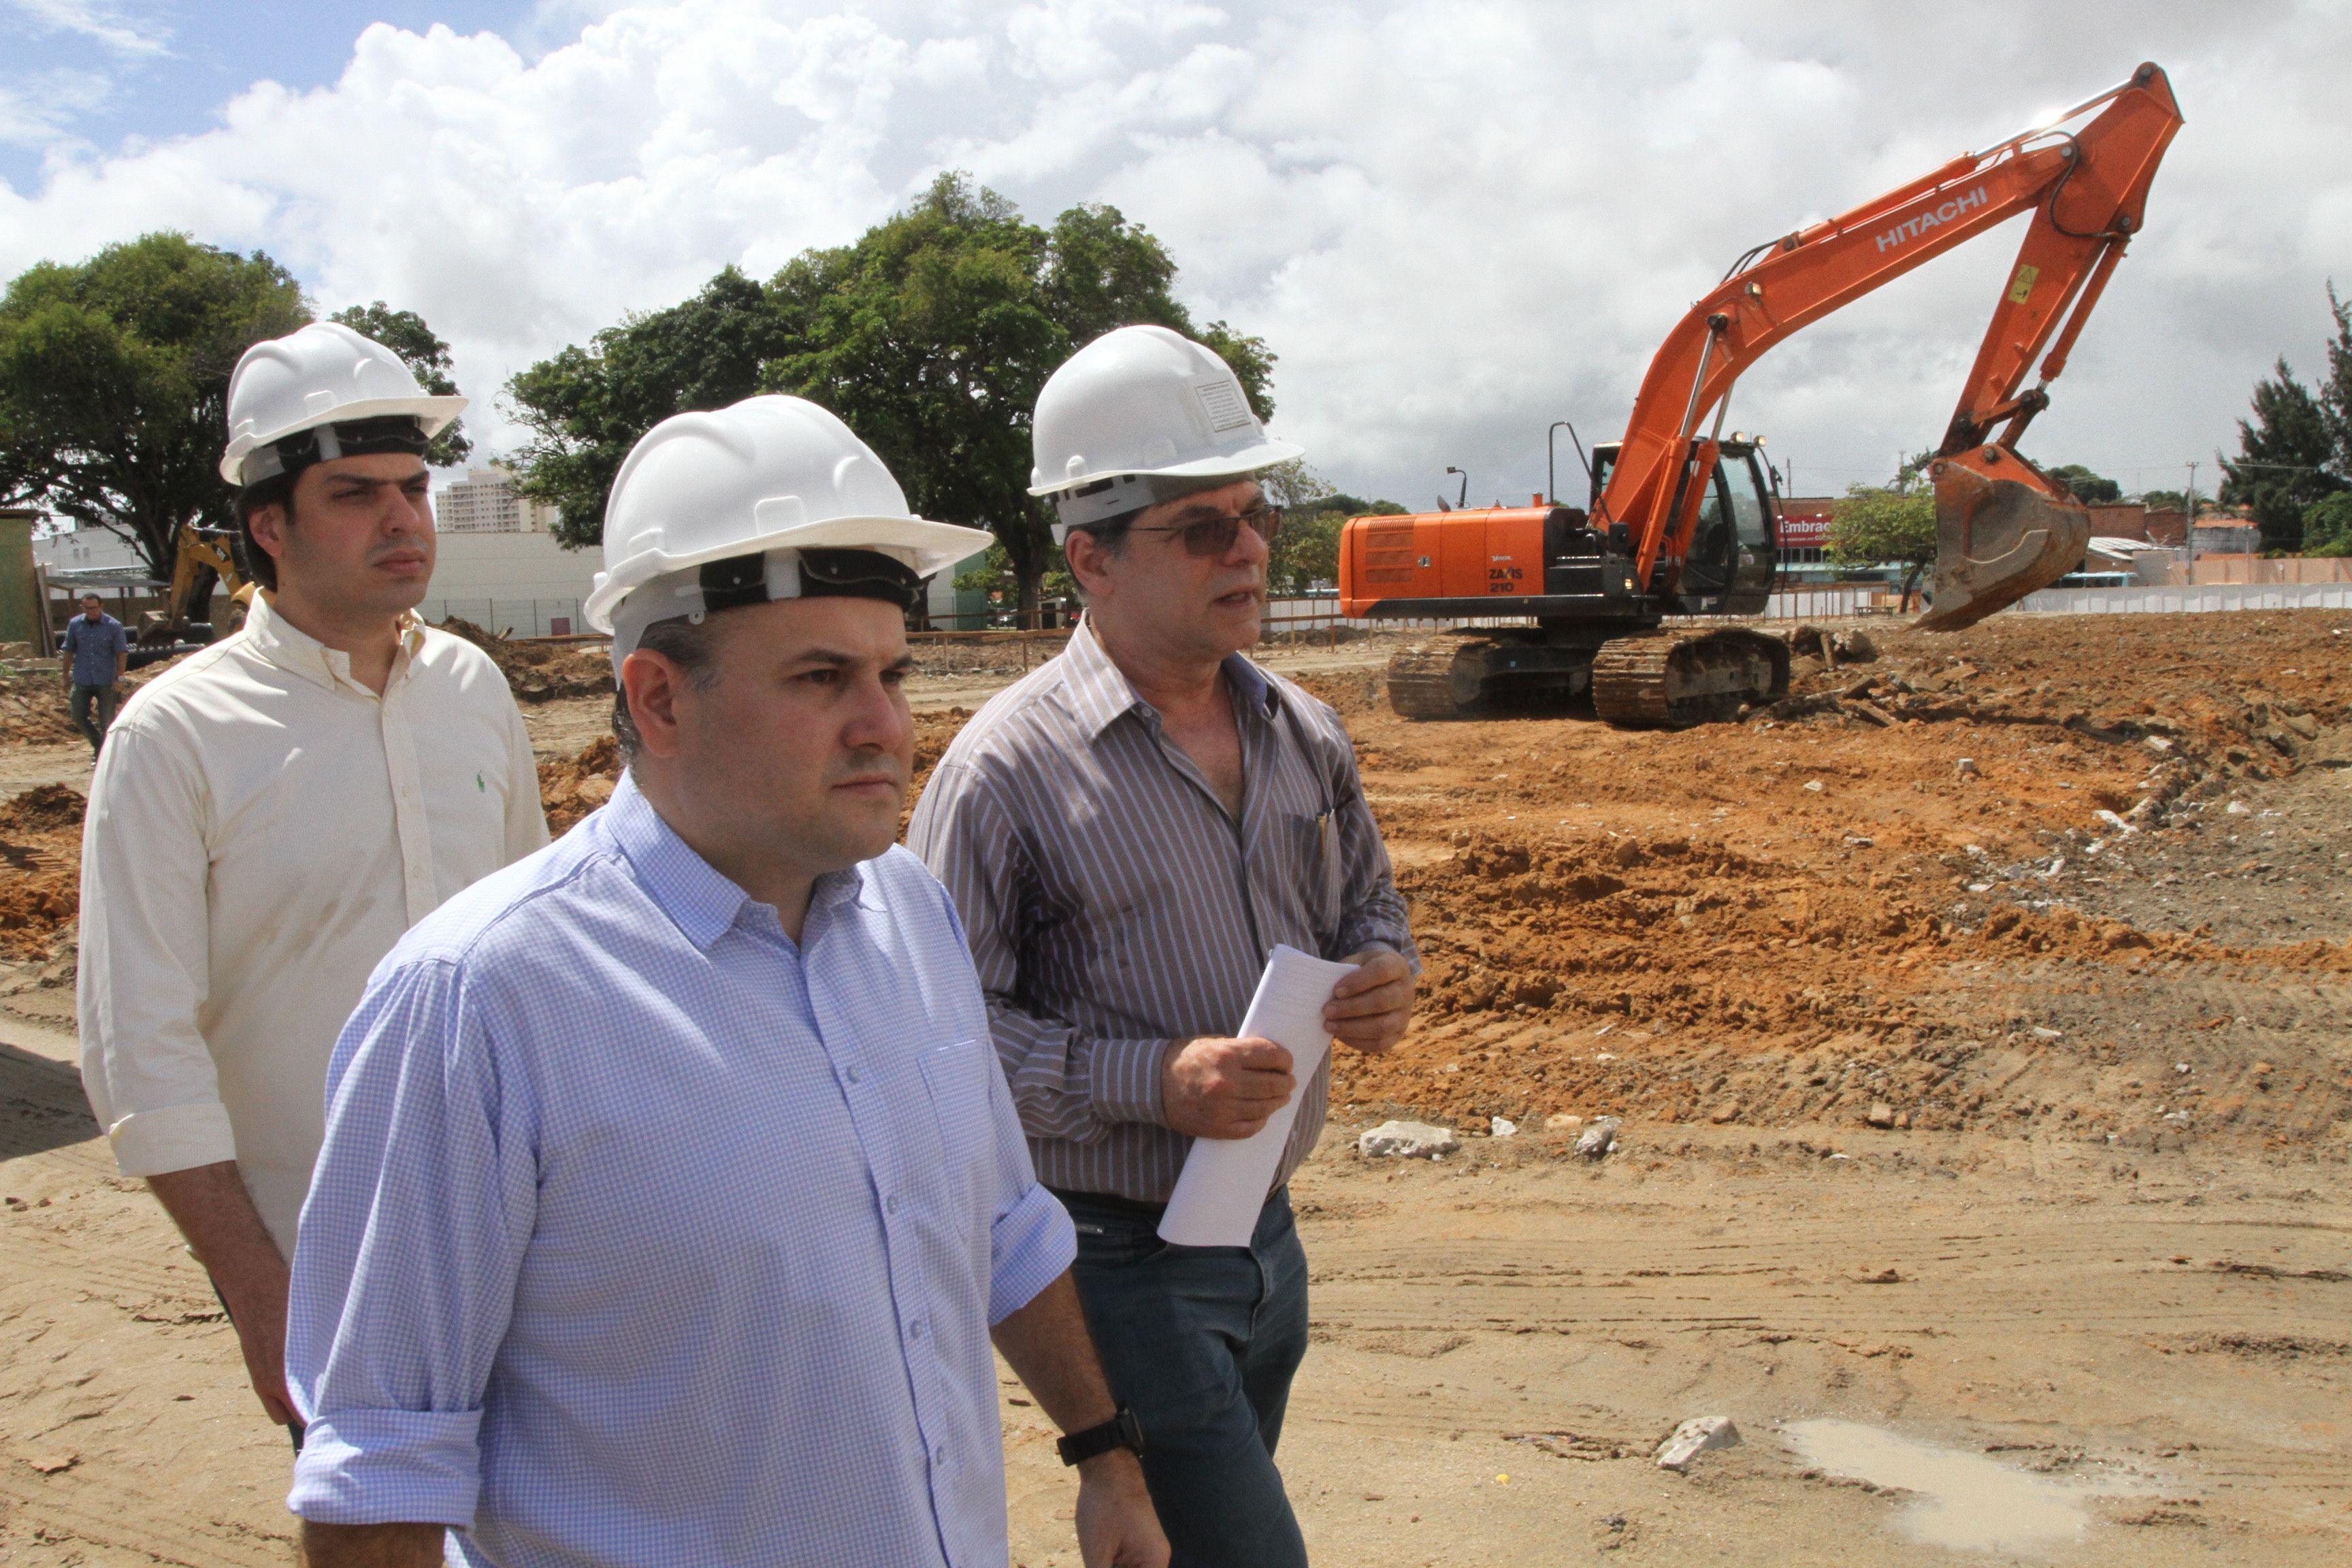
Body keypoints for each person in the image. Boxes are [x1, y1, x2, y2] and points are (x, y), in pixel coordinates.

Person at [285, 395, 1169, 1568]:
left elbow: (1003, 1229)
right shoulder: (481, 1002)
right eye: (821, 677)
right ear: (659, 698)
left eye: (892, 673)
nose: (885, 725)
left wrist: (1105, 1452)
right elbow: (382, 1468)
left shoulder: (910, 913)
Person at [907, 325, 1419, 1567]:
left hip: (1266, 1237)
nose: (1247, 550)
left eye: (1254, 516)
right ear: (1090, 556)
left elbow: (1368, 904)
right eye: (1200, 529)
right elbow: (937, 1041)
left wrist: (1383, 973)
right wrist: (1155, 1079)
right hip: (1114, 1258)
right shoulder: (1004, 771)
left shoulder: (1302, 729)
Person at [78, 321, 549, 1443]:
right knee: (379, 1528)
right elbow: (141, 1048)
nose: (402, 519)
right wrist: (259, 1293)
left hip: (526, 1242)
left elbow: (539, 949)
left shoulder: (473, 688)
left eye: (413, 488)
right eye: (355, 495)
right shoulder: (174, 736)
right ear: (269, 527)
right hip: (329, 1269)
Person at [59, 591, 130, 759]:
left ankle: (104, 757)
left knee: (107, 721)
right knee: (78, 716)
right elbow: (68, 651)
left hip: (106, 681)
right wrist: (65, 676)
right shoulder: (75, 625)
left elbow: (122, 653)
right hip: (82, 679)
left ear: (101, 606)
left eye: (94, 608)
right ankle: (99, 745)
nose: (91, 611)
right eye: (87, 608)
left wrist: (120, 678)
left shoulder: (114, 626)